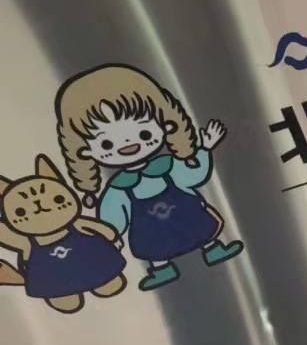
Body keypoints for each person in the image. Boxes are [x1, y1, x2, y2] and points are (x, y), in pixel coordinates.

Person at [54, 64, 243, 291]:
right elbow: (113, 218)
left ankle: (212, 249)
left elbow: (194, 174)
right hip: (153, 236)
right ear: (84, 151)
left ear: (165, 123)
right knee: (153, 249)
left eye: (143, 133)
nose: (127, 144)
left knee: (202, 230)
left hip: (189, 221)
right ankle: (162, 269)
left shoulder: (168, 165)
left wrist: (204, 149)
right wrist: (104, 234)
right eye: (107, 143)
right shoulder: (119, 188)